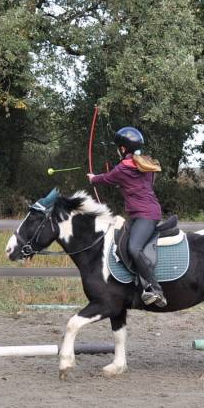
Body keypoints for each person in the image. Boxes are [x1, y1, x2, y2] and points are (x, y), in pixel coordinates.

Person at [87, 127, 167, 308]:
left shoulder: (123, 167)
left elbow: (105, 179)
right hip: (145, 213)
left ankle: (155, 288)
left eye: (118, 148)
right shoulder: (146, 164)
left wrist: (93, 178)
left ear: (123, 149)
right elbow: (134, 183)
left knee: (134, 248)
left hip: (145, 215)